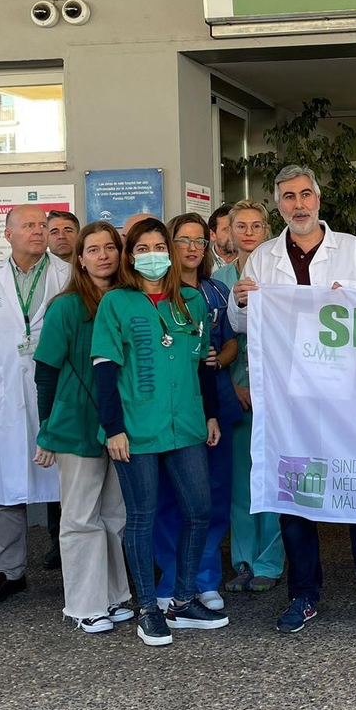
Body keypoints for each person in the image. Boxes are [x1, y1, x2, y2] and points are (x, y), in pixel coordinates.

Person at [229, 165, 356, 633]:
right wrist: (240, 300)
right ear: (279, 204)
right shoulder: (264, 258)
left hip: (348, 399)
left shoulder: (352, 252)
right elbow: (239, 325)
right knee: (297, 499)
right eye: (289, 196)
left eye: (306, 194)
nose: (299, 204)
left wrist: (351, 301)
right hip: (291, 402)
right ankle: (304, 597)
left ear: (319, 198)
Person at [92, 217, 227, 646]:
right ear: (131, 256)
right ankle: (149, 609)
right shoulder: (116, 303)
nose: (153, 255)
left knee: (199, 509)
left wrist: (210, 414)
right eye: (143, 248)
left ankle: (183, 600)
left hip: (186, 423)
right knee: (143, 517)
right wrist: (113, 428)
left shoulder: (191, 300)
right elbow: (104, 370)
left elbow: (203, 363)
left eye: (158, 247)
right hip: (137, 427)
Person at [0, 204, 70, 605]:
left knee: (69, 484)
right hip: (6, 395)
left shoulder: (67, 274)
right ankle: (10, 571)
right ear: (7, 233)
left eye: (42, 225)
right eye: (28, 225)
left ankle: (73, 565)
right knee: (7, 486)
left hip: (57, 391)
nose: (38, 231)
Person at [33, 222, 134, 634]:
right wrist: (47, 430)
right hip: (77, 424)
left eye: (110, 247)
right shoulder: (67, 306)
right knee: (79, 517)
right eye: (93, 249)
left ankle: (115, 595)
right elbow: (45, 372)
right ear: (80, 258)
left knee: (115, 513)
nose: (104, 256)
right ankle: (83, 604)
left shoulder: (131, 301)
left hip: (124, 423)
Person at [169, 212, 241, 613]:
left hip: (215, 401)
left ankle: (206, 578)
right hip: (175, 407)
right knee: (172, 498)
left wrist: (217, 358)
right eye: (184, 240)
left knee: (214, 496)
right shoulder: (156, 293)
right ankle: (173, 577)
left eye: (199, 240)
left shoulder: (215, 292)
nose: (193, 248)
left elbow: (231, 344)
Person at [213, 199, 283, 593]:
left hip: (274, 388)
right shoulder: (217, 279)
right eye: (241, 225)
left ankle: (270, 562)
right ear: (228, 232)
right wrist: (231, 386)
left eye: (257, 225)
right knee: (241, 481)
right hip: (235, 389)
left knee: (273, 476)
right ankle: (243, 560)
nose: (249, 232)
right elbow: (215, 340)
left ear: (267, 231)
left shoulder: (278, 275)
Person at [209, 204, 237, 269]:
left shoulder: (249, 260)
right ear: (212, 235)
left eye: (236, 228)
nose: (233, 234)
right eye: (226, 230)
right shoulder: (202, 263)